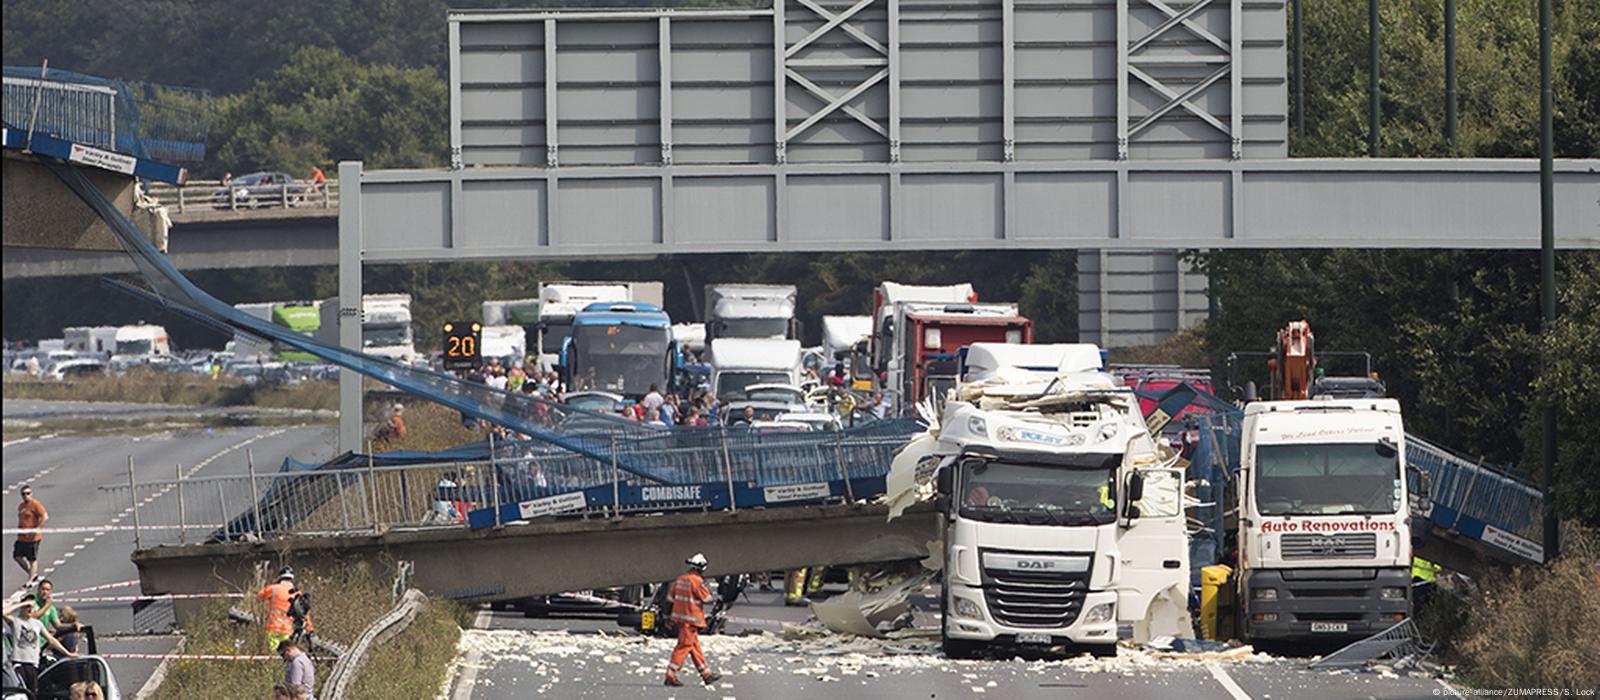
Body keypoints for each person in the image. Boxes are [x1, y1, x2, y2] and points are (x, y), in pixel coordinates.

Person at [663, 553, 721, 687]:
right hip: (691, 620)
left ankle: (707, 674)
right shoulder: (697, 581)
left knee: (694, 648)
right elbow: (707, 599)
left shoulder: (680, 579)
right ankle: (670, 676)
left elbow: (670, 598)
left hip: (680, 619)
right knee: (683, 647)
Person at [4, 597, 77, 694]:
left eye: (32, 607)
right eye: (27, 607)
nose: (29, 609)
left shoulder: (37, 624)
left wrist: (68, 653)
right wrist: (21, 604)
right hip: (19, 663)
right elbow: (3, 613)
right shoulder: (16, 621)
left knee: (33, 693)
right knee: (21, 692)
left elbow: (51, 640)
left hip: (33, 663)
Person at [257, 567, 298, 650]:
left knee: (273, 651)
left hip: (273, 627)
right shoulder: (297, 592)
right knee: (285, 651)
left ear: (280, 577)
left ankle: (273, 662)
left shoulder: (273, 588)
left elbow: (259, 596)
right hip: (287, 628)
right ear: (292, 578)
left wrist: (273, 584)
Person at [15, 485, 48, 581]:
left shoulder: (35, 504)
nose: (26, 496)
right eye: (23, 494)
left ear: (31, 493)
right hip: (22, 537)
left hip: (33, 537)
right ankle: (32, 573)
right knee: (17, 557)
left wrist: (37, 529)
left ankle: (30, 580)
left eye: (28, 493)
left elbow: (44, 516)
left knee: (32, 559)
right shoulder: (21, 506)